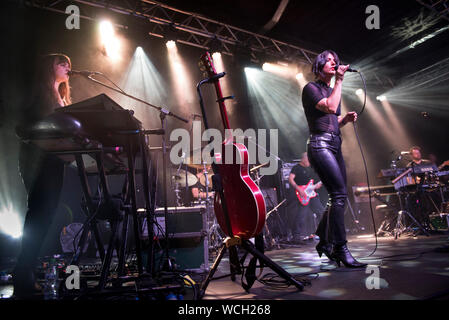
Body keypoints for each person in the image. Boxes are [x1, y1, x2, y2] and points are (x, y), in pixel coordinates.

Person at [13, 54, 72, 298]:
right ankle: (23, 271)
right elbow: (22, 125)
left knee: (44, 216)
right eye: (62, 62)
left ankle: (25, 269)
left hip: (55, 160)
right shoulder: (38, 94)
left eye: (69, 63)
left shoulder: (63, 96)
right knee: (38, 214)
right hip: (38, 159)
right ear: (50, 67)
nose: (68, 66)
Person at [301, 50, 366, 268]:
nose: (334, 63)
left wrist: (344, 120)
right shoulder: (311, 88)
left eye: (335, 61)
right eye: (329, 60)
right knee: (338, 195)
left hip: (334, 143)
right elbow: (328, 107)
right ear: (319, 65)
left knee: (339, 196)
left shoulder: (330, 90)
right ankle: (340, 248)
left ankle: (323, 238)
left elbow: (330, 118)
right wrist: (339, 79)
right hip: (319, 145)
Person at [287, 152, 324, 242]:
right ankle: (296, 236)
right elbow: (290, 179)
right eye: (308, 159)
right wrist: (299, 190)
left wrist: (319, 185)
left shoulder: (311, 168)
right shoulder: (296, 168)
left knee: (321, 212)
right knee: (301, 215)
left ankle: (324, 233)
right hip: (302, 194)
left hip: (312, 194)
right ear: (303, 159)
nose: (310, 161)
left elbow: (315, 181)